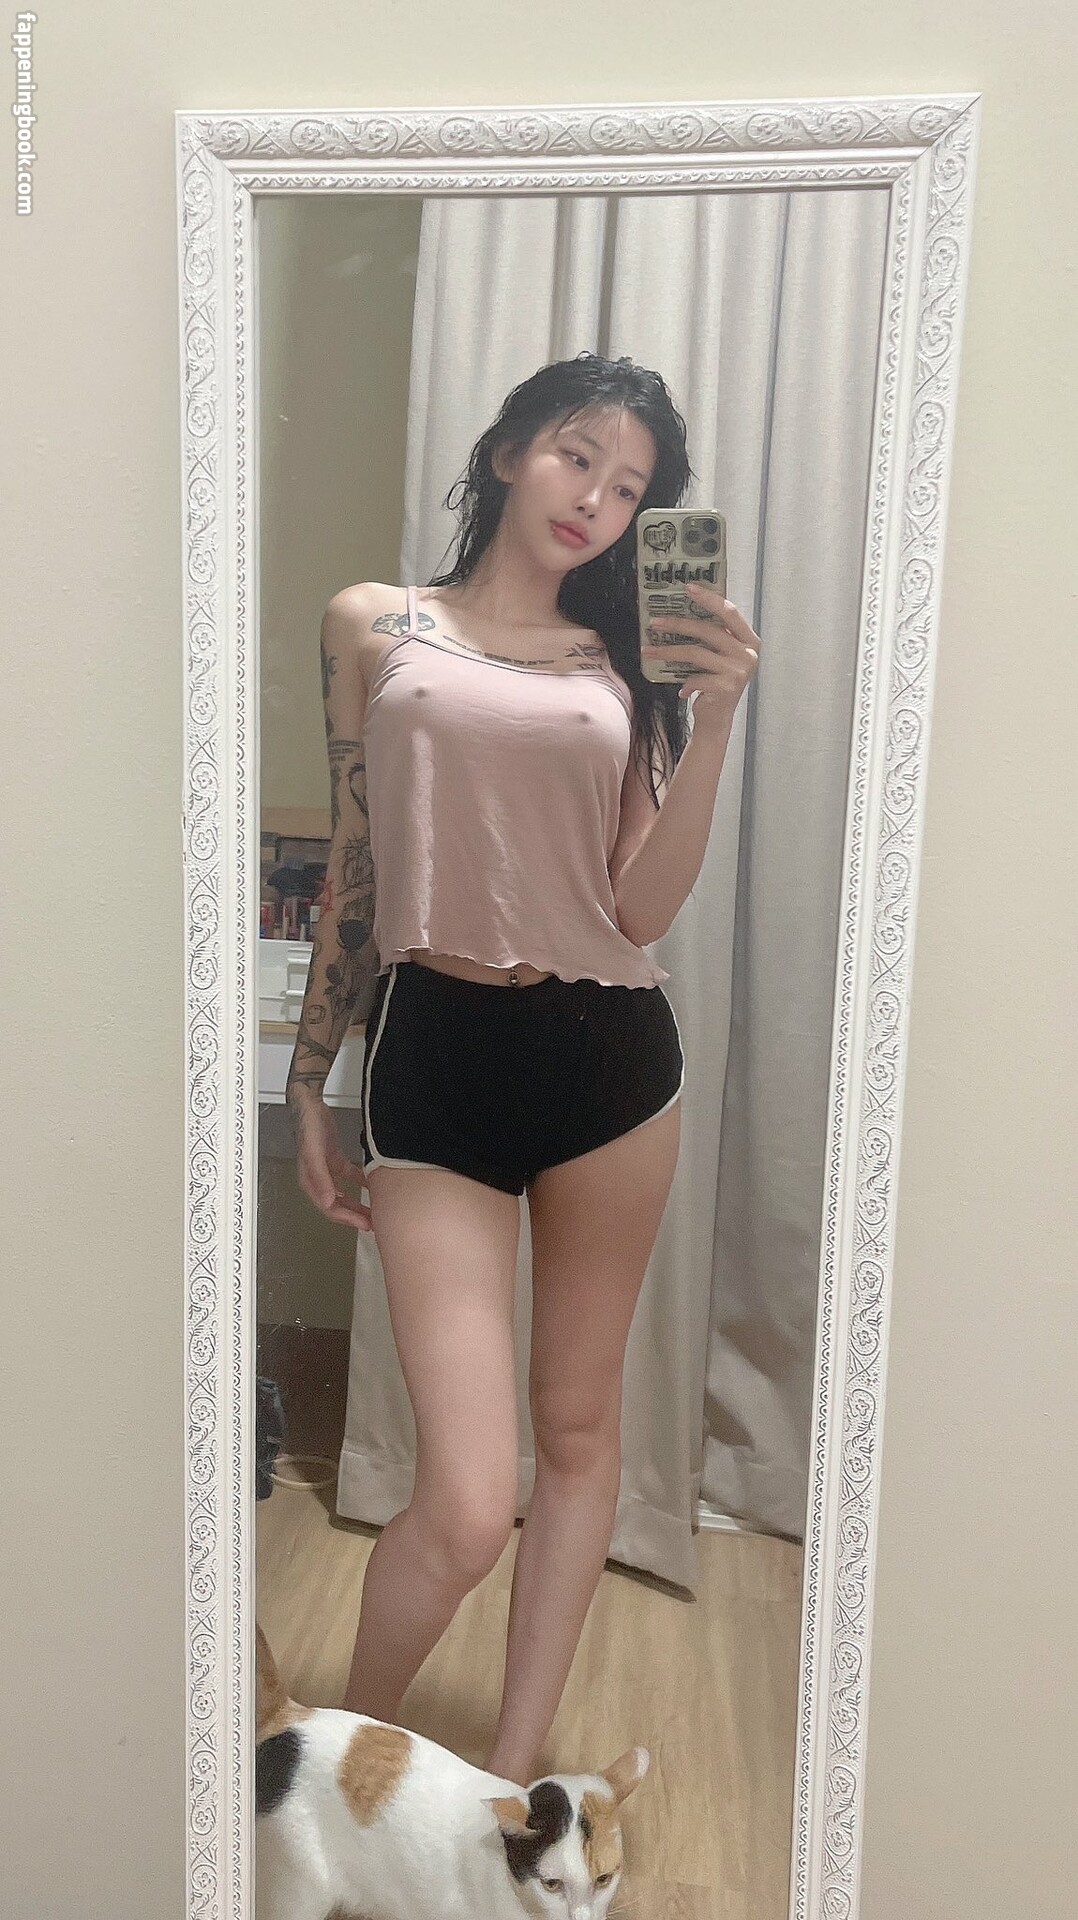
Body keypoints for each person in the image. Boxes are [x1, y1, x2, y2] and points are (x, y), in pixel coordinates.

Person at [285, 351, 761, 1787]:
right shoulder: (375, 623)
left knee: (577, 1430)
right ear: (506, 452)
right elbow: (357, 867)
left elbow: (638, 908)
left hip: (608, 1061)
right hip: (434, 1054)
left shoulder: (627, 667)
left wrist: (713, 720)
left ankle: (509, 1773)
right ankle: (335, 1764)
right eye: (575, 455)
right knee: (462, 1497)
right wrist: (311, 1082)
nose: (595, 498)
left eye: (629, 488)